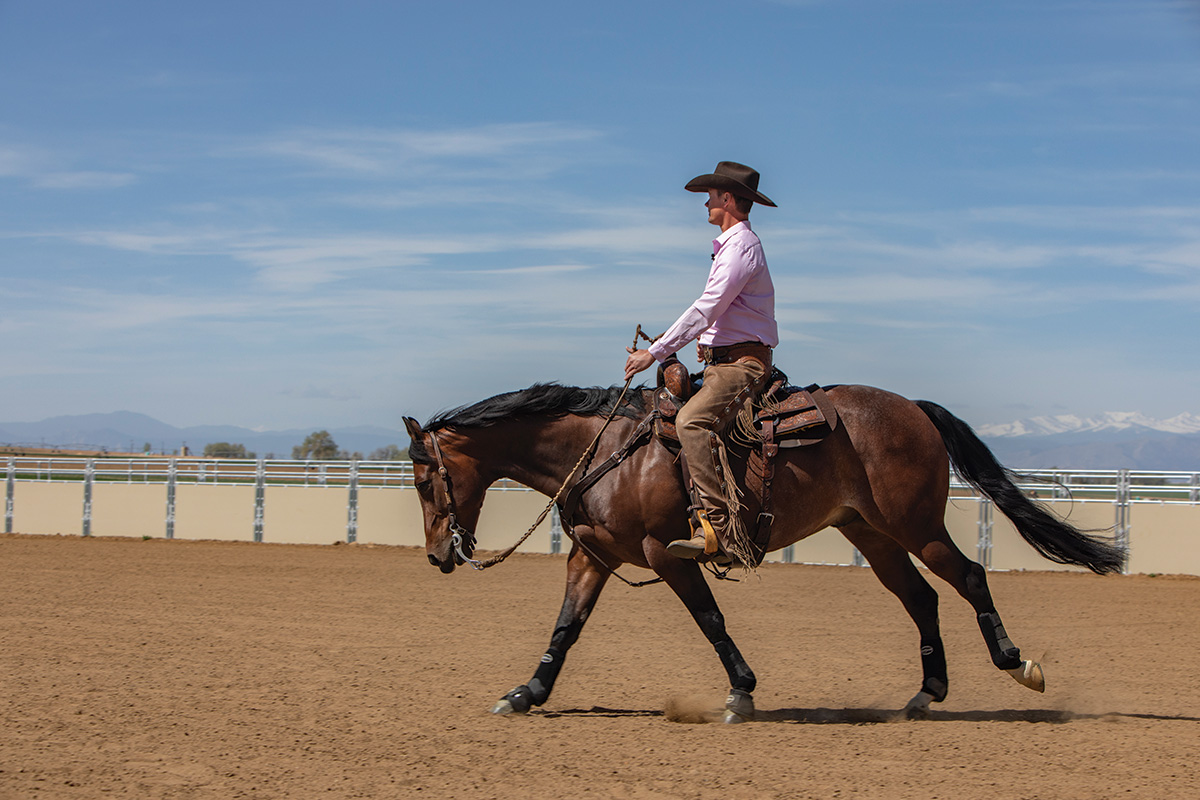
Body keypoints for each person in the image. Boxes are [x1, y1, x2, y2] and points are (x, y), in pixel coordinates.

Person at [624, 161, 778, 560]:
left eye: (711, 196)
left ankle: (721, 532)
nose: (706, 203)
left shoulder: (741, 247)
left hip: (744, 366)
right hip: (725, 361)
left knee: (692, 424)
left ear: (727, 198)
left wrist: (654, 352)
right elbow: (720, 314)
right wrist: (707, 344)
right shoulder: (731, 247)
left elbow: (707, 307)